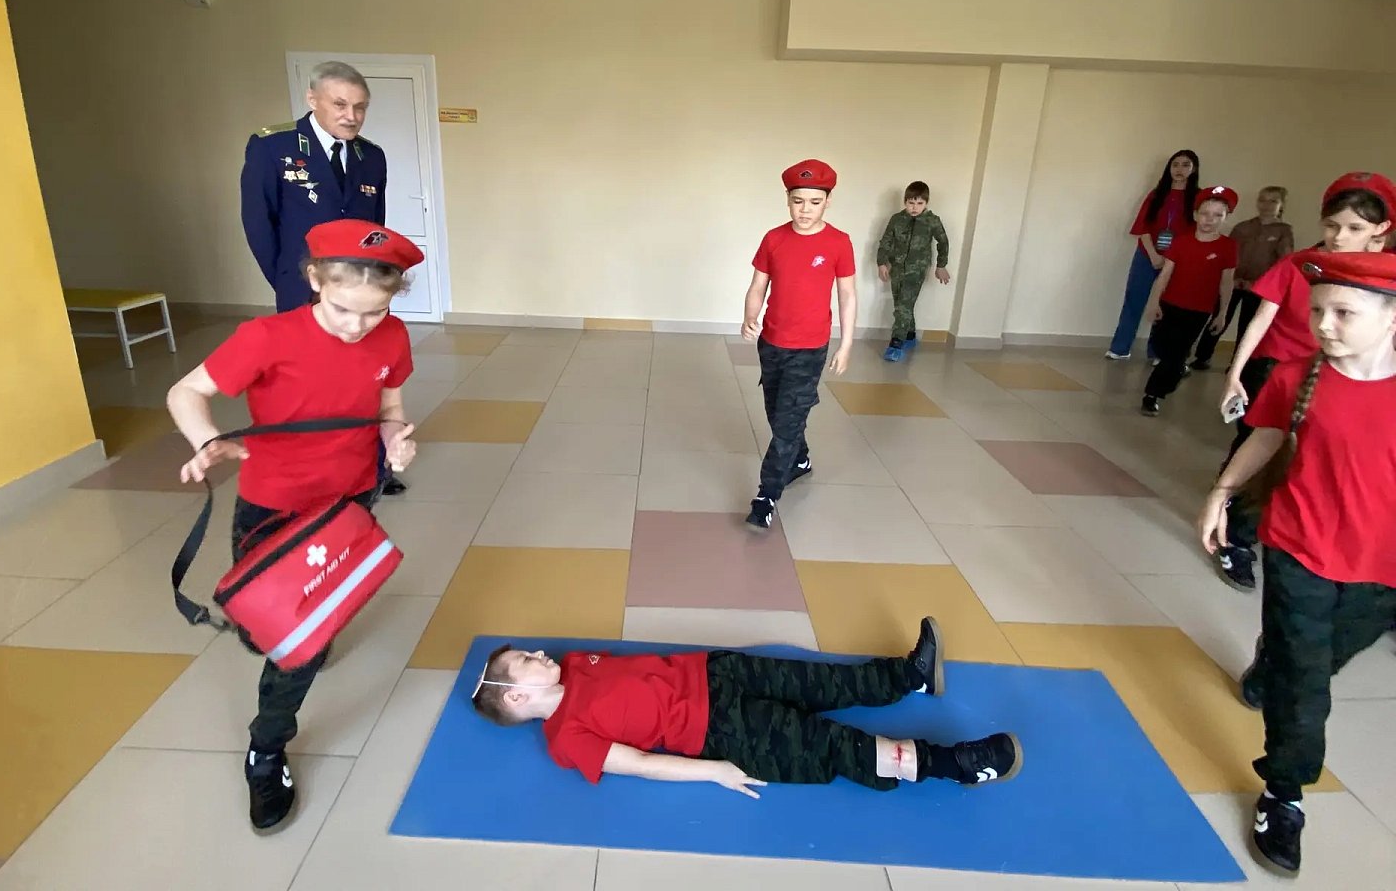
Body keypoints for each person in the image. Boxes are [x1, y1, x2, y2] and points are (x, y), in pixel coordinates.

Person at [166, 218, 421, 833]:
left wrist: (395, 439)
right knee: (273, 629)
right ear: (314, 280)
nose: (358, 326)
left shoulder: (392, 335)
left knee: (297, 641)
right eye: (343, 309)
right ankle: (289, 655)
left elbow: (389, 405)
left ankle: (266, 746)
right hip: (273, 507)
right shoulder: (266, 337)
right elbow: (185, 392)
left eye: (375, 311)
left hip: (349, 500)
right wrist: (207, 441)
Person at [1197, 249, 1396, 878]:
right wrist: (1221, 494)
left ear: (1391, 318)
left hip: (1381, 568)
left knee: (1320, 656)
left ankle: (1273, 656)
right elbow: (1266, 437)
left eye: (1344, 313)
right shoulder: (1295, 376)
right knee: (1306, 684)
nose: (1324, 325)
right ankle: (1284, 793)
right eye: (1317, 312)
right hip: (1298, 548)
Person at [470, 617, 1023, 795]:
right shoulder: (566, 739)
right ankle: (957, 765)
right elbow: (637, 763)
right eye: (526, 660)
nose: (539, 653)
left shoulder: (574, 663)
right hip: (720, 730)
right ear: (517, 696)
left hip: (717, 672)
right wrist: (714, 771)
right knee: (833, 747)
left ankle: (910, 677)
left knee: (822, 682)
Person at [1212, 172, 1396, 591]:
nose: (1339, 237)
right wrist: (1235, 372)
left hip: (1346, 381)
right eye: (1331, 225)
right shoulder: (1301, 264)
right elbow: (1261, 318)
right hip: (1281, 369)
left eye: (1354, 228)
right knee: (1265, 451)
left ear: (1380, 230)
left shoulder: (1385, 279)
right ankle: (1236, 536)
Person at [240, 61, 408, 495]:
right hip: (302, 287)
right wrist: (287, 280)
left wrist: (373, 283)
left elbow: (375, 229)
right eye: (340, 104)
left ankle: (375, 468)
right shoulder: (273, 147)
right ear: (312, 99)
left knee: (365, 378)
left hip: (359, 291)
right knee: (309, 383)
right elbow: (259, 224)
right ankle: (312, 470)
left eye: (360, 107)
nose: (351, 115)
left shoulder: (371, 156)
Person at [741, 159, 857, 531]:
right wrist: (749, 317)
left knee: (787, 423)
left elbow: (847, 296)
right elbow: (758, 285)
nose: (805, 210)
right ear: (788, 200)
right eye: (798, 201)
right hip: (771, 342)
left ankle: (766, 496)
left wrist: (846, 344)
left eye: (814, 202)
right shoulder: (773, 239)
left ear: (828, 202)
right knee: (778, 414)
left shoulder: (838, 242)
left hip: (810, 349)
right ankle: (800, 459)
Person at [1139, 186, 1238, 417]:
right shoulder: (1181, 241)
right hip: (1170, 305)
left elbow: (1226, 282)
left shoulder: (1227, 246)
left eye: (1217, 215)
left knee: (1174, 355)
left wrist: (1222, 313)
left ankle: (1152, 395)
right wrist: (1154, 302)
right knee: (1162, 348)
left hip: (1198, 311)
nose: (1210, 219)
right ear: (1195, 214)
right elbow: (1164, 275)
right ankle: (1176, 369)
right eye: (1205, 213)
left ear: (1225, 218)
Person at [1107, 150, 1200, 361]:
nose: (1179, 169)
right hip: (1146, 254)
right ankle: (1120, 348)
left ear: (1194, 169)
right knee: (1134, 299)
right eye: (1175, 164)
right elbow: (1143, 226)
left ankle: (1157, 351)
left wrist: (1171, 258)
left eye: (1186, 165)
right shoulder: (1157, 194)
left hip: (1177, 260)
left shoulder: (1198, 198)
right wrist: (1153, 255)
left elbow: (1196, 232)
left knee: (1166, 305)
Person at [1190, 186, 1294, 371]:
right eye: (1262, 200)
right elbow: (1227, 253)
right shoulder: (1243, 227)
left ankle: (1237, 364)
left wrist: (1258, 283)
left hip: (1259, 288)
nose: (1266, 205)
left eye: (1273, 201)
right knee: (1219, 317)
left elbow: (1283, 263)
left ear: (1282, 205)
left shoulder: (1283, 231)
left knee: (1247, 325)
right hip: (1233, 282)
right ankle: (1202, 356)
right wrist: (1232, 277)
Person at [876, 181, 951, 362]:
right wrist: (882, 263)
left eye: (919, 203)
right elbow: (886, 241)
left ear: (926, 203)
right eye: (911, 203)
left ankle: (896, 344)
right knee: (902, 304)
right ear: (905, 202)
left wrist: (941, 265)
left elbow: (943, 242)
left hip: (917, 270)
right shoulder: (897, 219)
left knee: (903, 306)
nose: (915, 207)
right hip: (897, 268)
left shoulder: (932, 221)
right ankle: (909, 336)